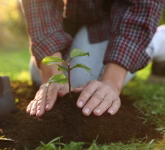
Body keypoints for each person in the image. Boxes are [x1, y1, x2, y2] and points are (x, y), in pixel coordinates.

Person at [20, 0, 165, 117]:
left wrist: (112, 83)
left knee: (81, 82)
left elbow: (142, 8)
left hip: (116, 22)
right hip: (70, 22)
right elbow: (40, 7)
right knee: (39, 76)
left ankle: (156, 40)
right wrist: (53, 75)